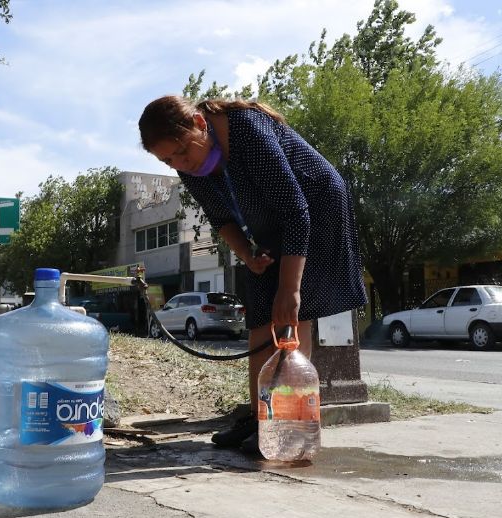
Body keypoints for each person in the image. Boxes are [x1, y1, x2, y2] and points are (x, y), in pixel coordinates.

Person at [139, 96, 367, 453]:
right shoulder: (189, 165)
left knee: (293, 312)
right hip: (274, 220)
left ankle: (289, 424)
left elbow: (296, 212)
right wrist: (248, 255)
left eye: (182, 151)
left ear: (200, 123)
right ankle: (260, 418)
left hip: (316, 208)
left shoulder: (247, 131)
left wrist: (290, 289)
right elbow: (222, 218)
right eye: (168, 161)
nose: (180, 164)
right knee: (261, 308)